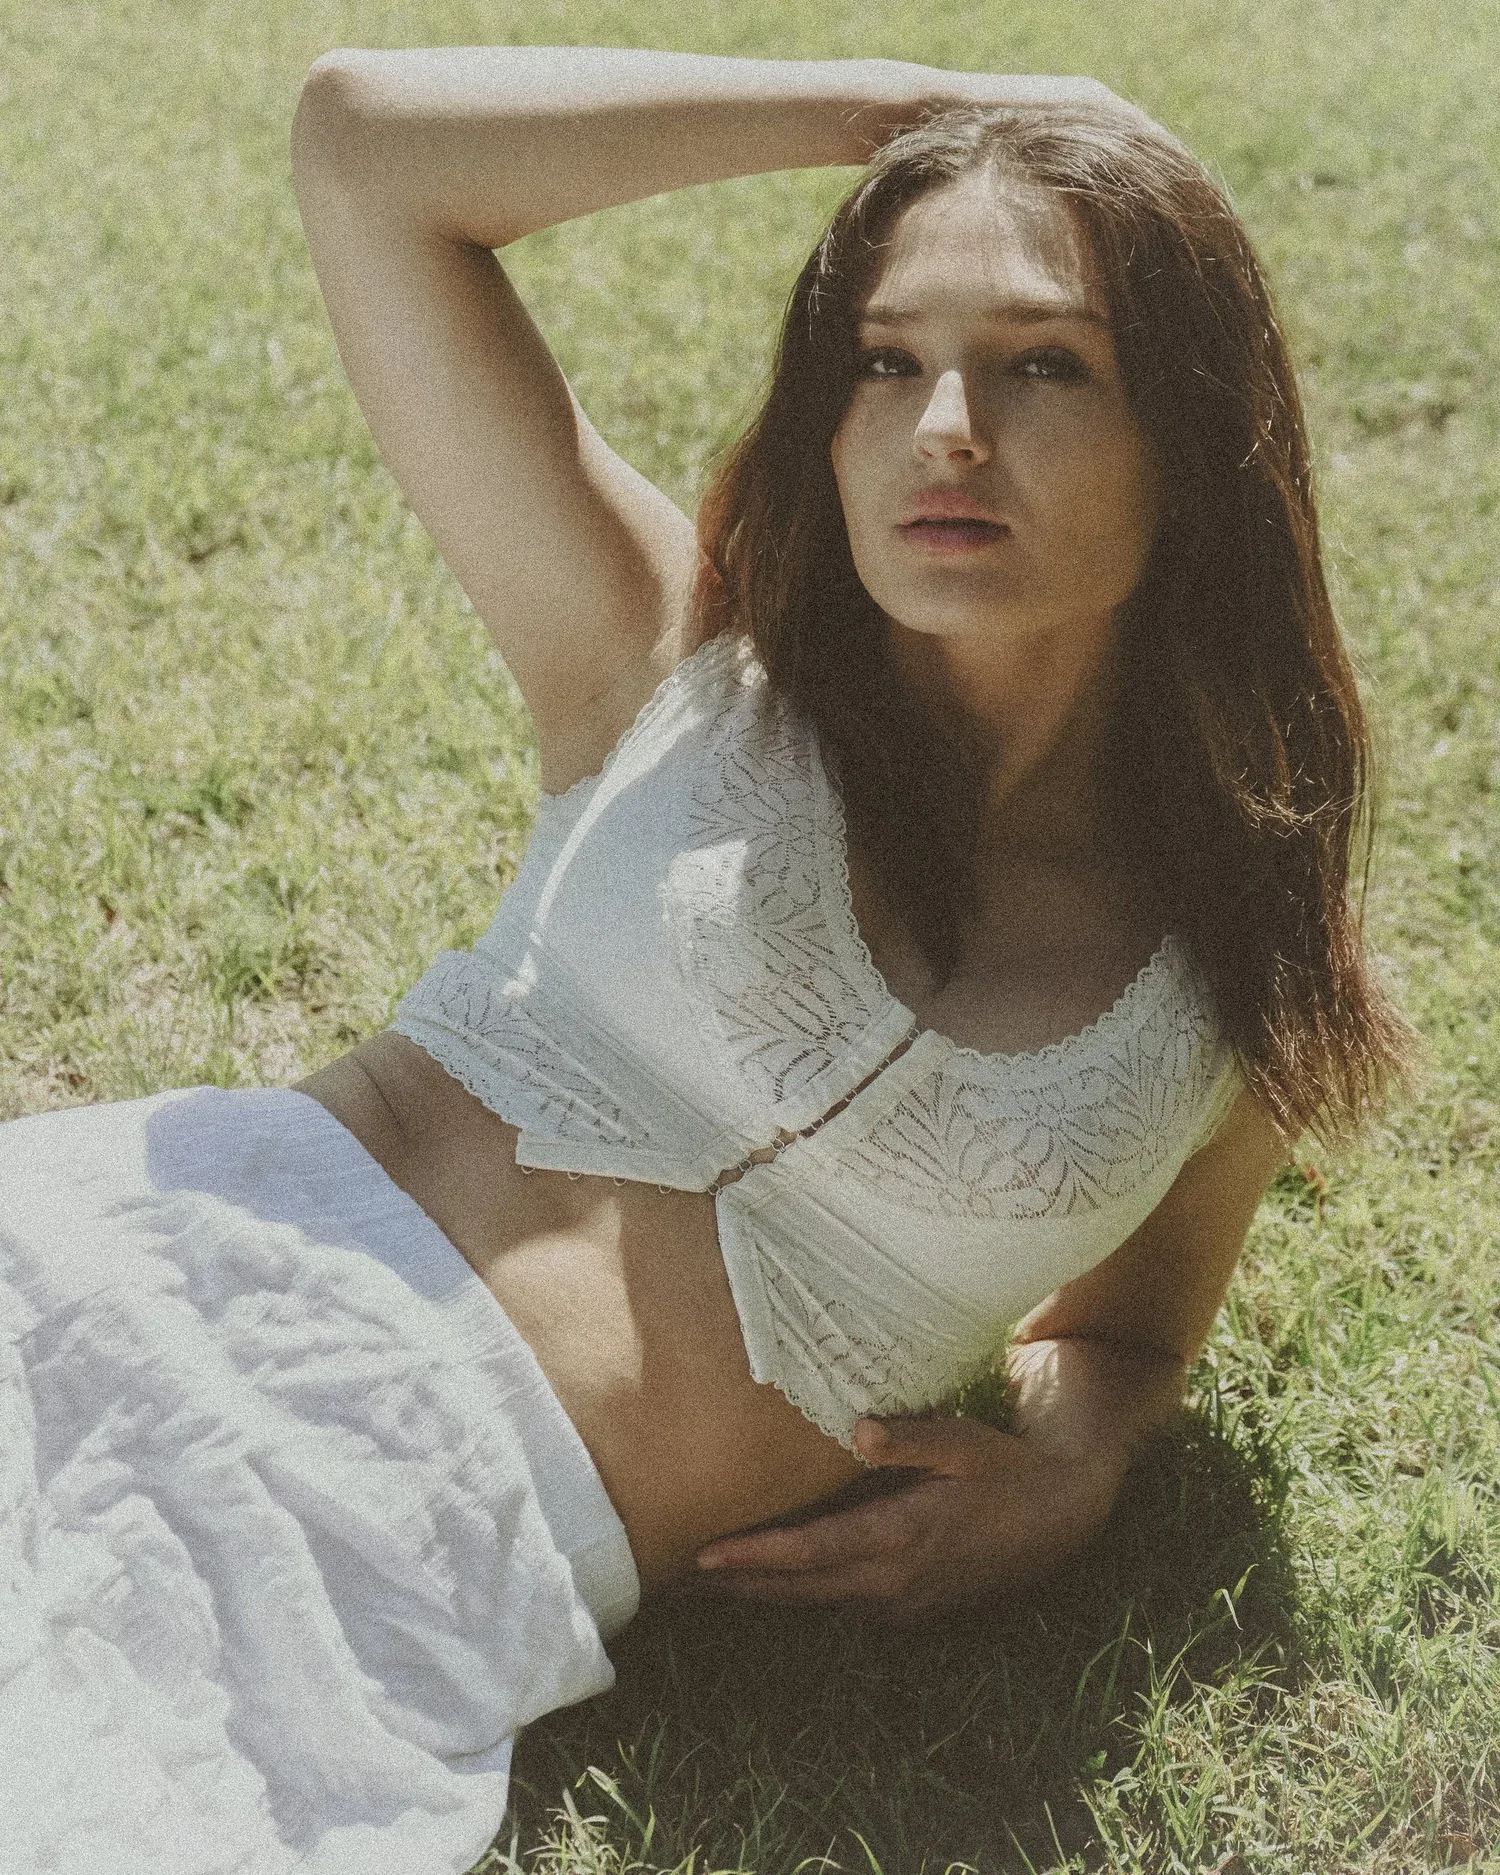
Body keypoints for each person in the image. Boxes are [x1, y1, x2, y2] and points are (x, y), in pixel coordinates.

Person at [0, 47, 1408, 1875]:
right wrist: (916, 112)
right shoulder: (674, 667)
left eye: (1045, 364)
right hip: (135, 1273)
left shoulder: (1234, 991)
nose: (946, 425)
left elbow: (1129, 1335)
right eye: (885, 360)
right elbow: (366, 152)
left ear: (1196, 443)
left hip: (413, 1569)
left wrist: (1070, 1471)